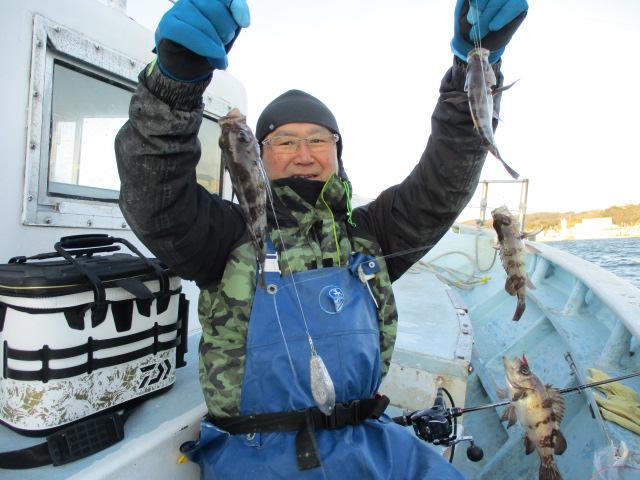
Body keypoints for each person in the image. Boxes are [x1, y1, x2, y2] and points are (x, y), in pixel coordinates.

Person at [115, 0, 528, 478]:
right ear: (256, 155)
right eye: (284, 141)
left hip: (374, 447)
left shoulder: (371, 233)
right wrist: (176, 82)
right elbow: (154, 194)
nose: (304, 154)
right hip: (257, 456)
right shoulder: (228, 236)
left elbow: (444, 180)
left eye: (319, 139)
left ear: (338, 151)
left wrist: (473, 71)